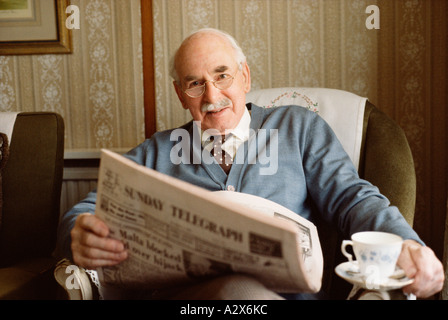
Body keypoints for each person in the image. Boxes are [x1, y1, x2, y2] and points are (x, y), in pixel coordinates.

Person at [57, 28, 444, 299]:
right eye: (194, 83)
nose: (212, 95)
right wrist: (80, 230)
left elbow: (353, 198)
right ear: (181, 94)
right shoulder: (160, 150)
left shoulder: (298, 127)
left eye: (222, 75)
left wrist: (406, 244)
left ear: (244, 76)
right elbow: (88, 208)